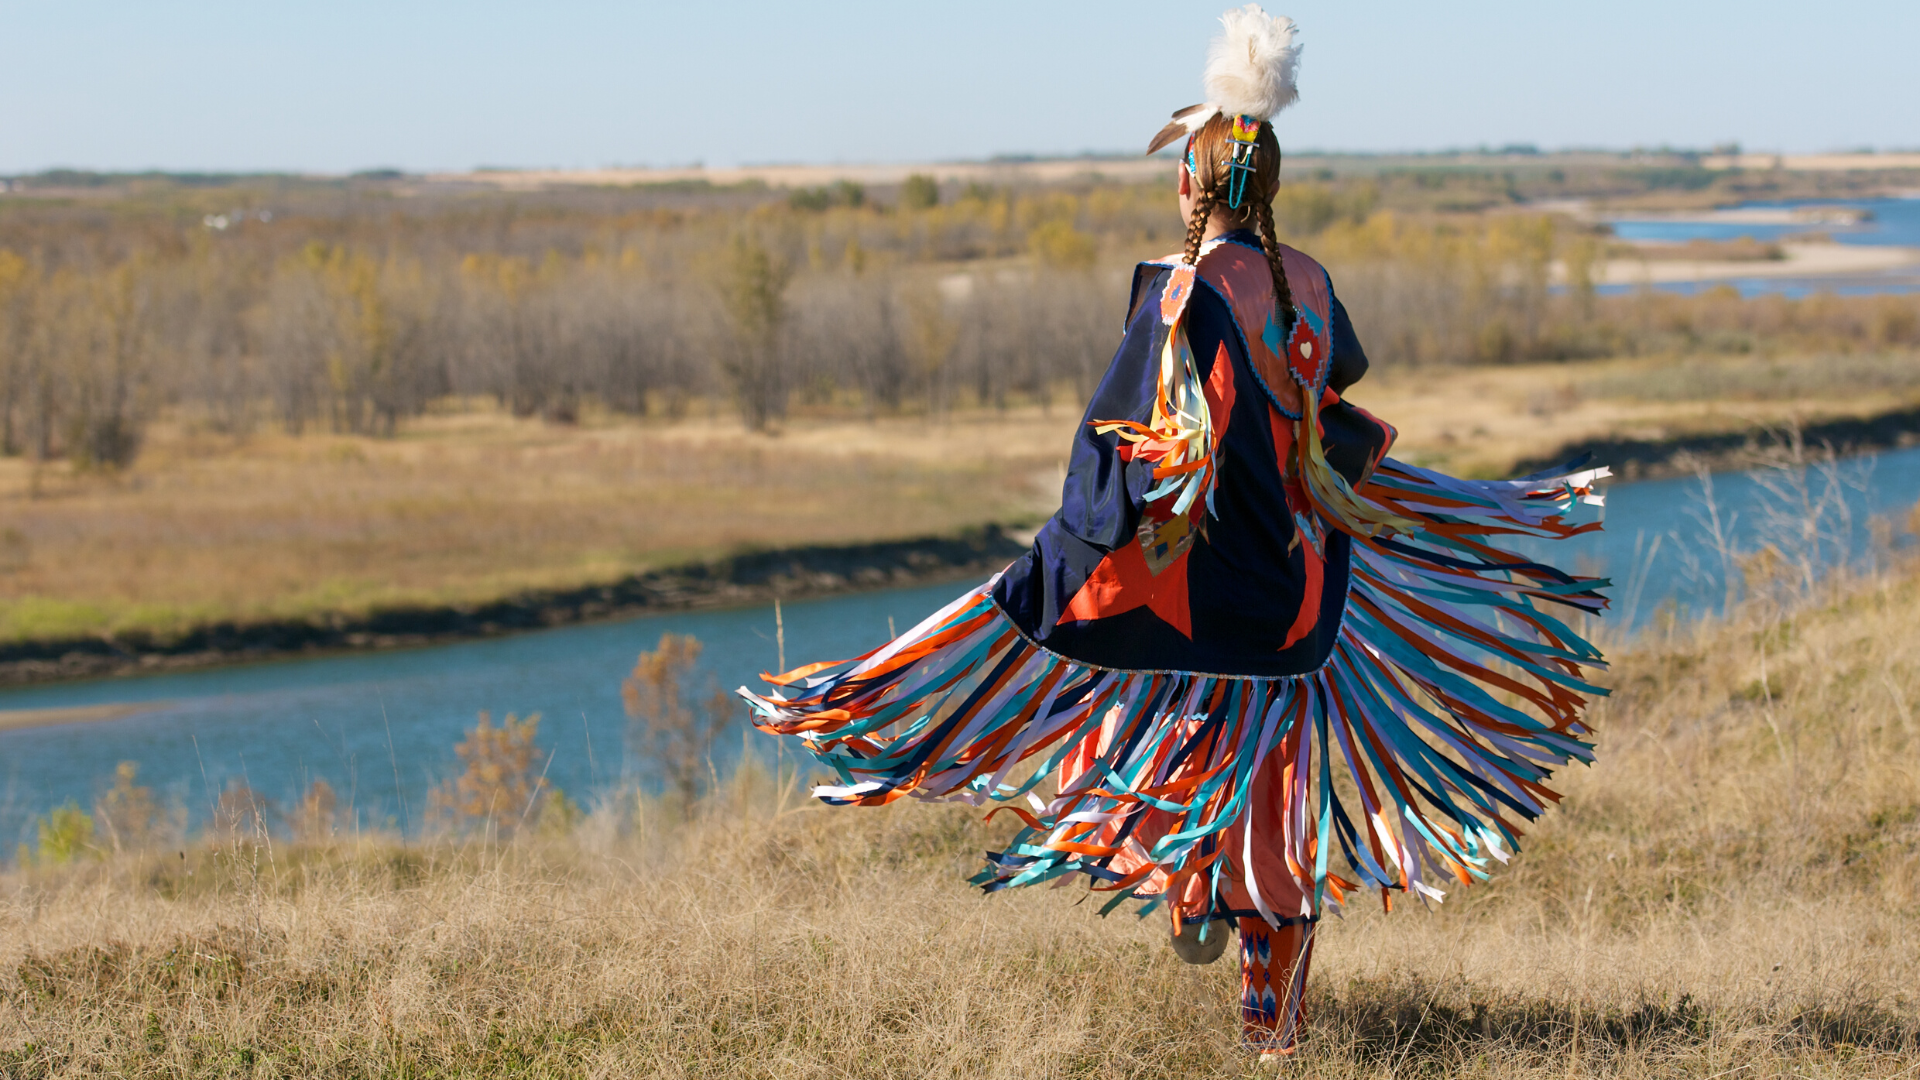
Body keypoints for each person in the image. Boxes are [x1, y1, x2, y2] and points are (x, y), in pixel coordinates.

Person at [742, 5, 1609, 1060]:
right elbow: (1318, 410)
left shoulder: (1173, 292)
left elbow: (1117, 443)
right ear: (1271, 187)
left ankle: (1192, 888)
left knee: (1166, 737)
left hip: (1186, 593)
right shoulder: (1314, 285)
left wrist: (1063, 556)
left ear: (1189, 184)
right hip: (1292, 603)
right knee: (1275, 792)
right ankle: (1273, 1021)